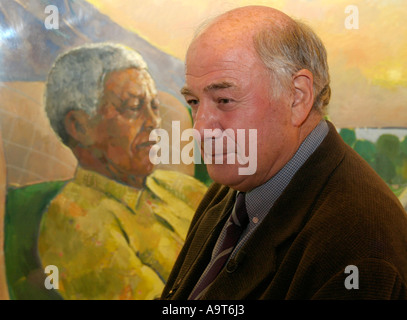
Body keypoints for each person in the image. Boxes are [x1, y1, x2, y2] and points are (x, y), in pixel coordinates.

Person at [161, 6, 407, 300]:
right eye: (194, 101)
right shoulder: (238, 184)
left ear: (298, 97)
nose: (200, 129)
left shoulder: (360, 250)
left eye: (224, 100)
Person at [5, 43, 207, 300]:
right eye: (134, 107)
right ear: (79, 126)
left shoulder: (181, 187)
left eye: (154, 106)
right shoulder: (75, 220)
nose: (154, 121)